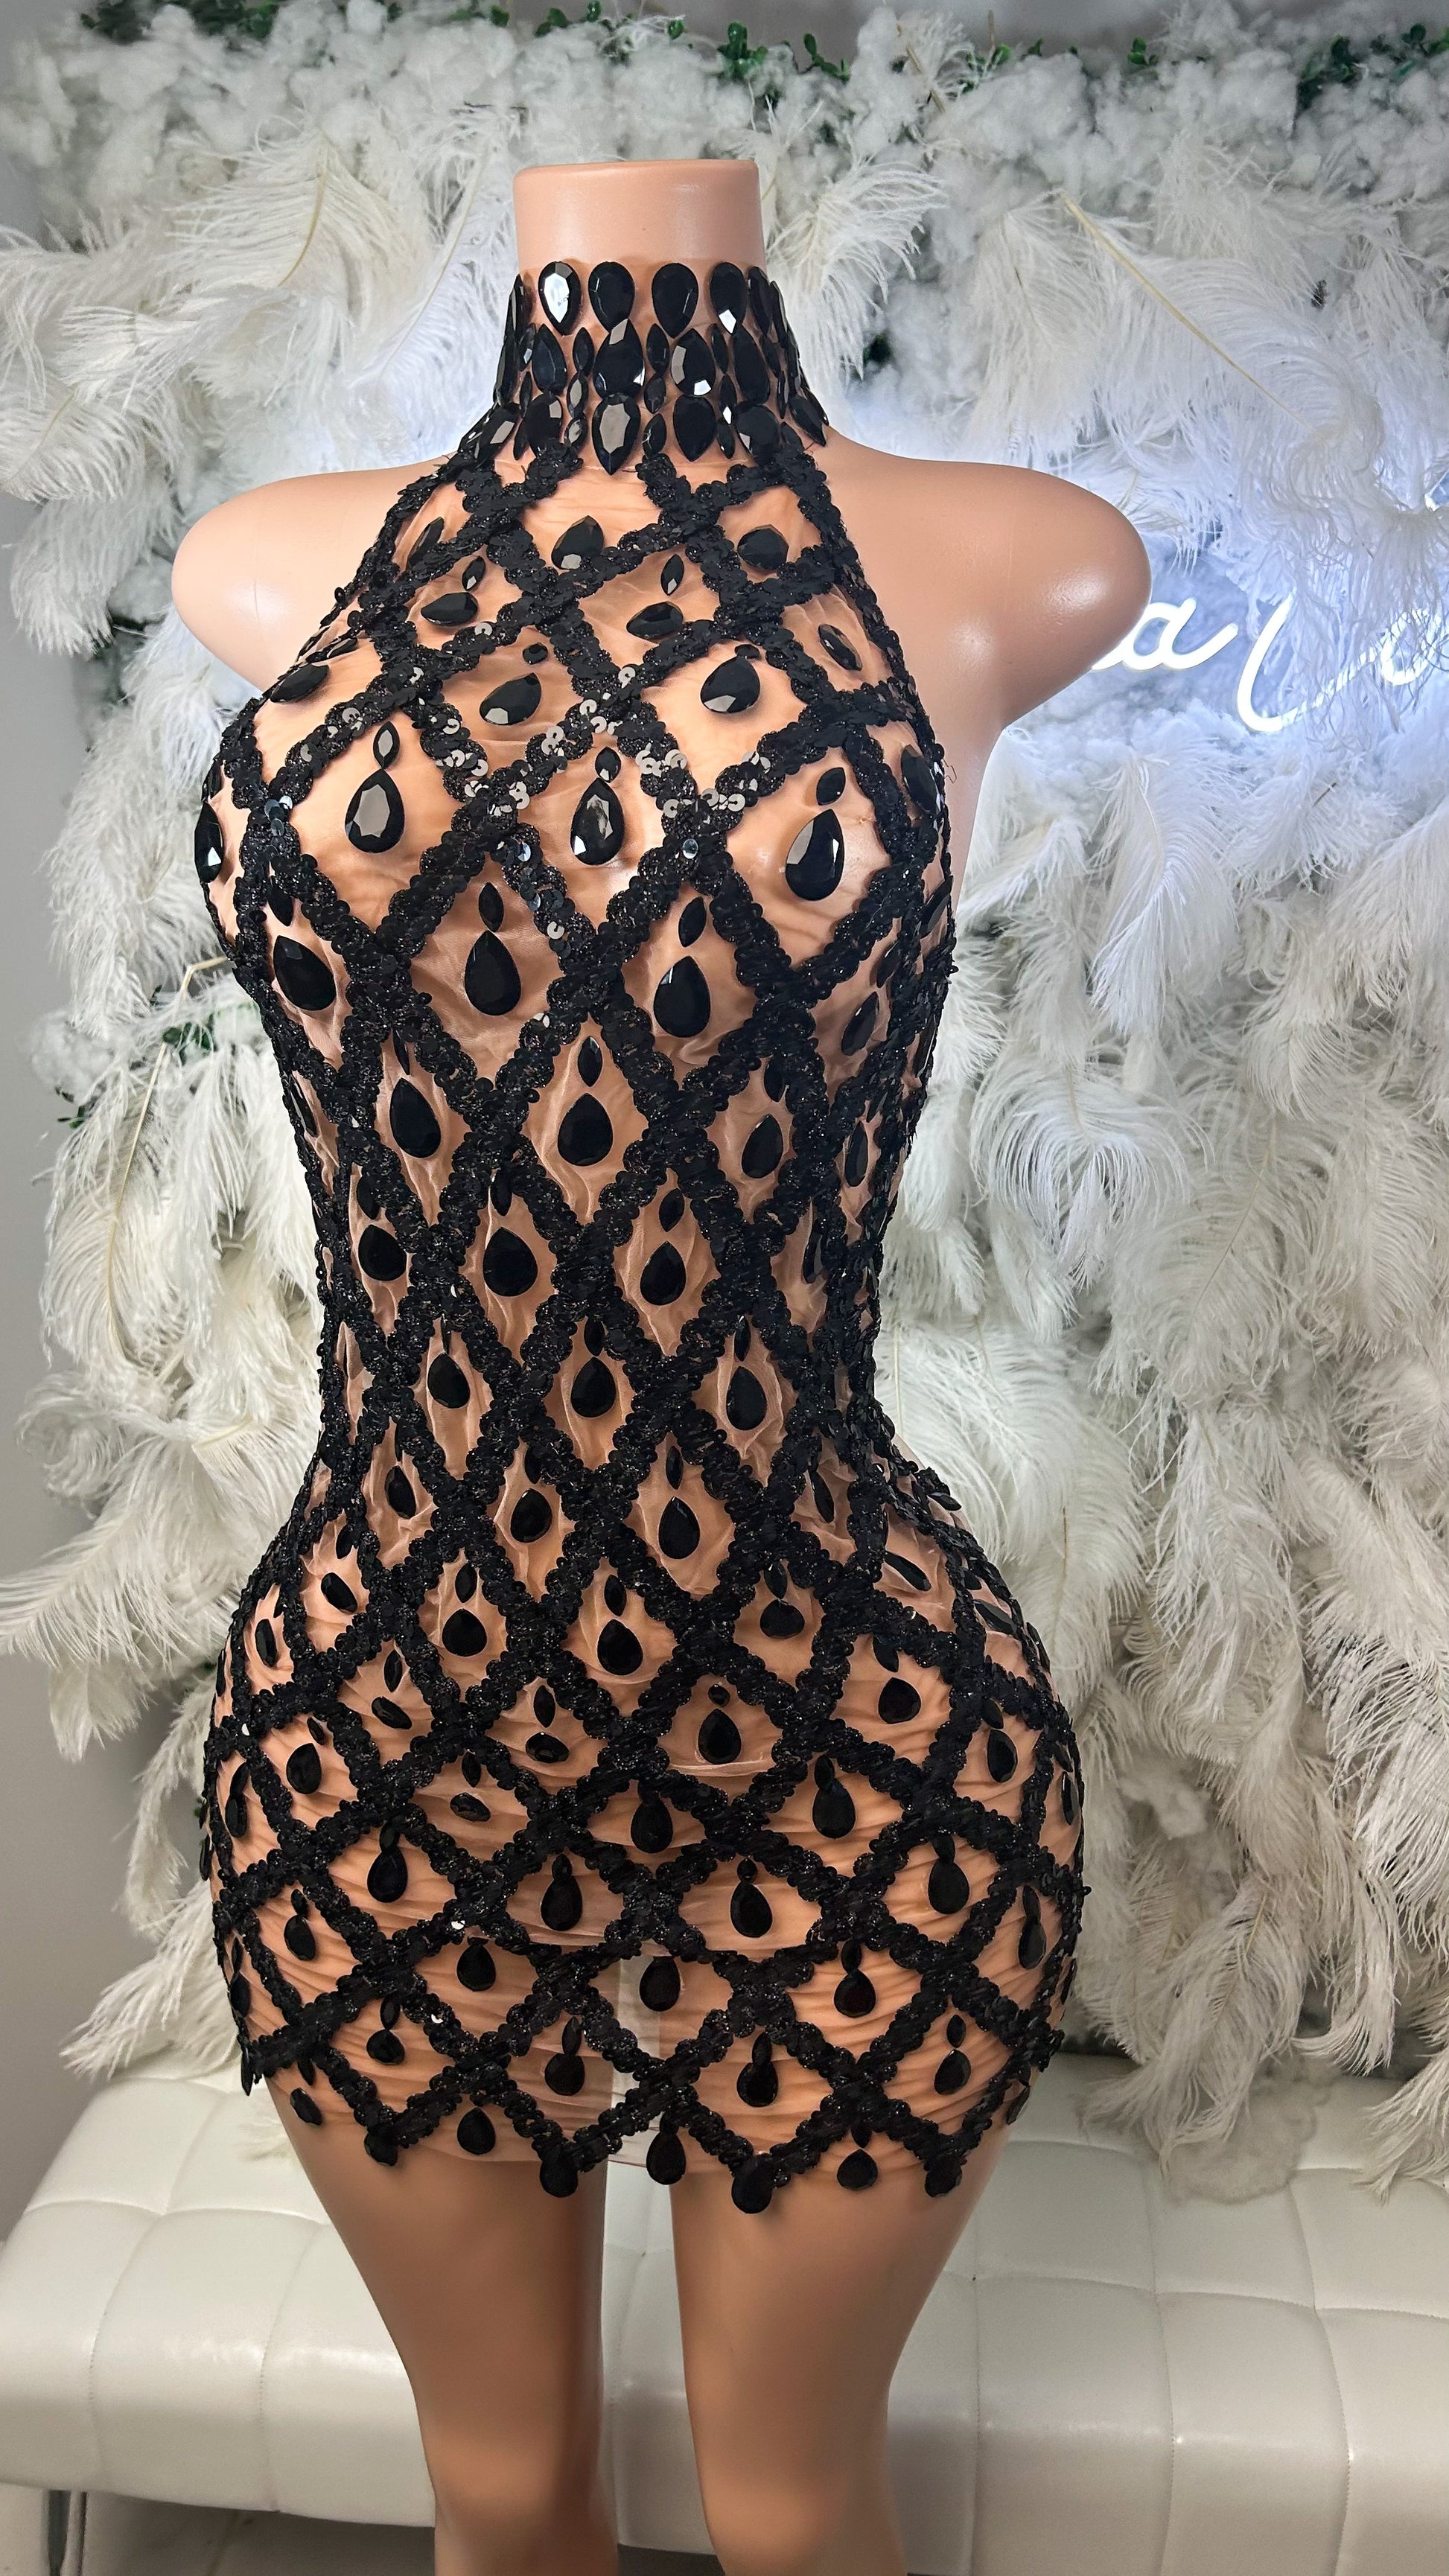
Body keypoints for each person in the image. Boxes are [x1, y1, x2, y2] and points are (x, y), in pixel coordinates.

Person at [173, 153, 1148, 2576]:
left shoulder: (1018, 562)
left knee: (794, 2505)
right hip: (383, 1710)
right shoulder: (264, 565)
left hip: (846, 1726)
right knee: (503, 2490)